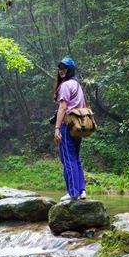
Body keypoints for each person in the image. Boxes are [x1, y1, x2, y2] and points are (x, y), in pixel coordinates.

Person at [53, 57, 87, 201]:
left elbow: (63, 107)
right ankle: (82, 190)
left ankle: (73, 193)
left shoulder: (66, 85)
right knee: (76, 159)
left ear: (70, 70)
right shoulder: (78, 85)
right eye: (60, 68)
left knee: (68, 159)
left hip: (68, 126)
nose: (61, 71)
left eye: (65, 68)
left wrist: (57, 128)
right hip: (79, 126)